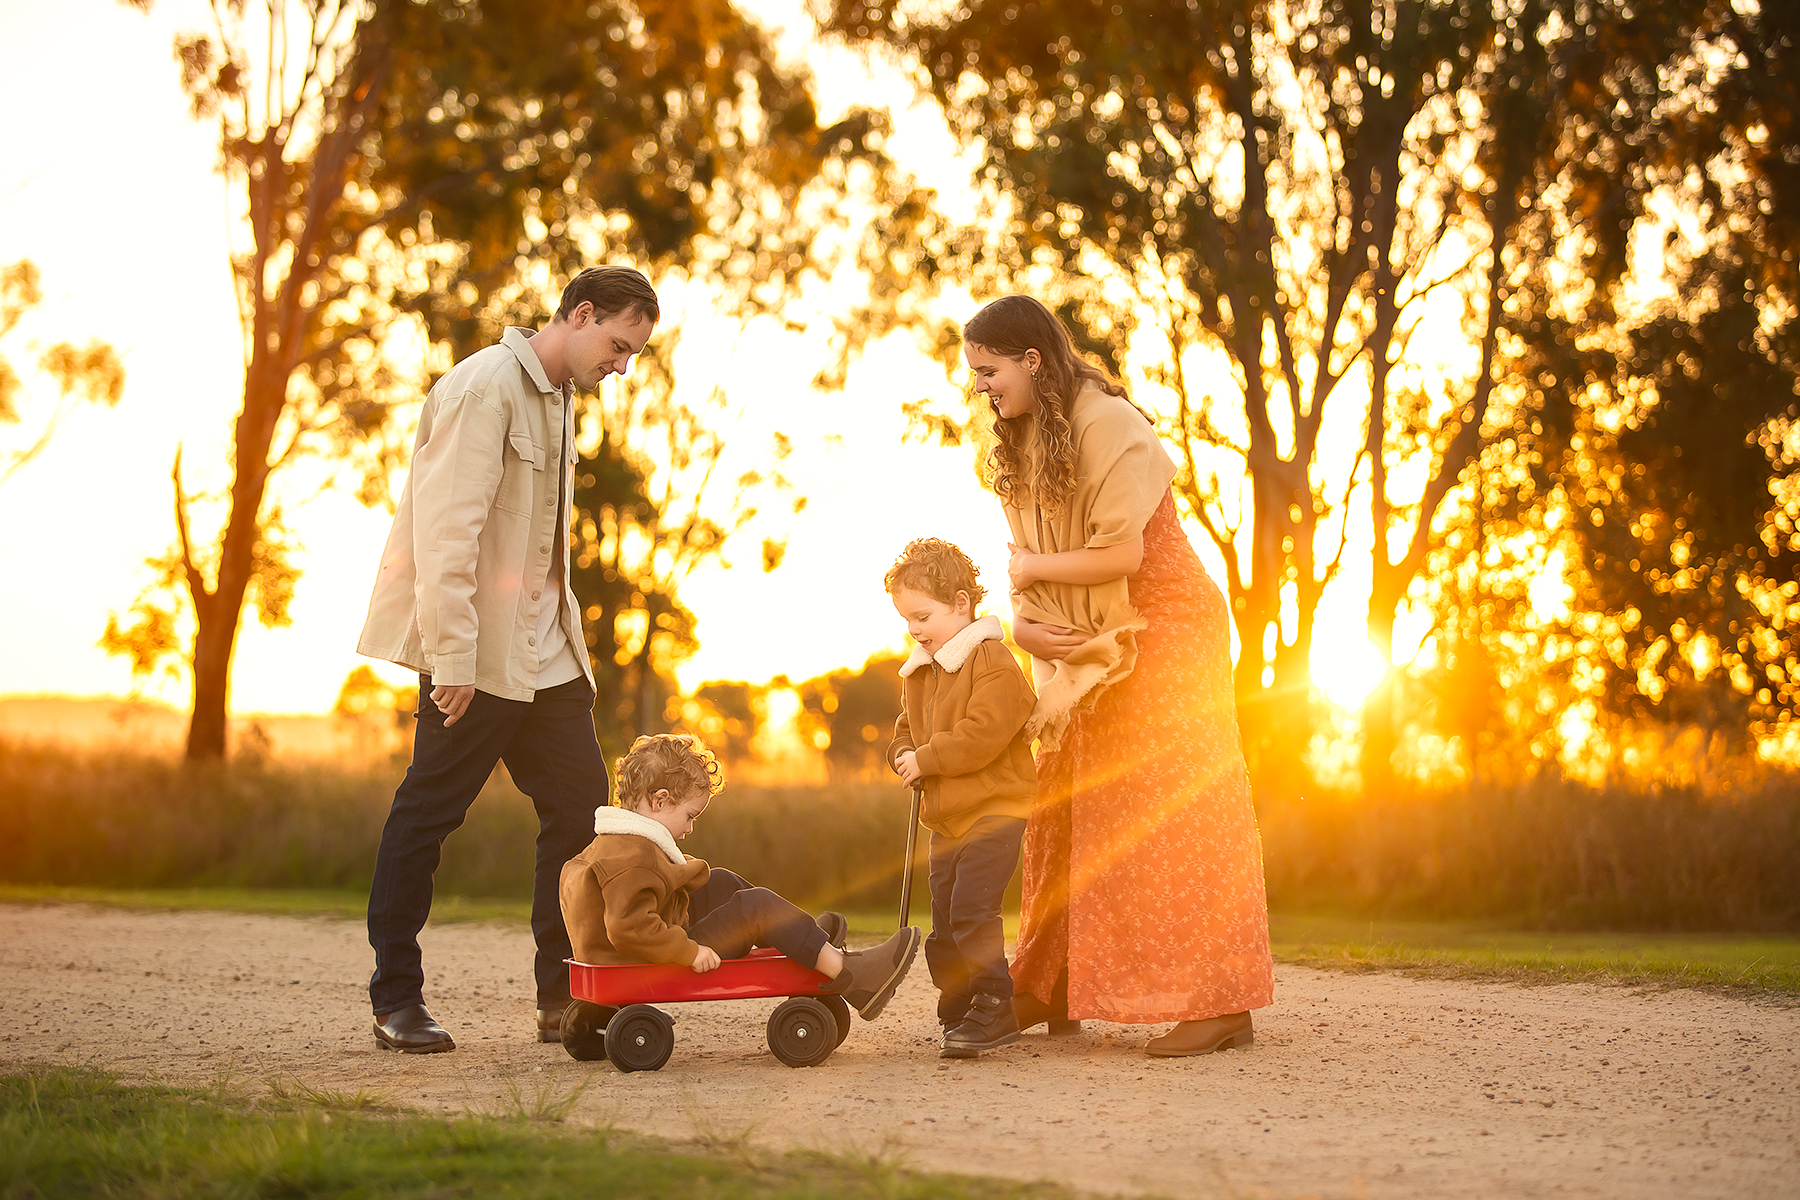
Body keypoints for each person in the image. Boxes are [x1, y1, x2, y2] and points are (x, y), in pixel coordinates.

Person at [356, 266, 659, 1054]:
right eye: (618, 345)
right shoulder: (483, 388)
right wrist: (450, 656)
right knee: (429, 812)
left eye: (633, 355)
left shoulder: (557, 398)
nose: (621, 366)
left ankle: (564, 996)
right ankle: (396, 999)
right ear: (580, 313)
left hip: (546, 655)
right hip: (478, 655)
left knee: (580, 814)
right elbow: (446, 534)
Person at [962, 294, 1275, 1057]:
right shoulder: (1017, 440)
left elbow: (1122, 556)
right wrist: (1029, 624)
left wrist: (1031, 570)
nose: (980, 388)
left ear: (1032, 359)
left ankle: (1220, 1001)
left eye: (989, 370)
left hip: (1167, 626)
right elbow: (1025, 581)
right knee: (1067, 799)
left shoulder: (1113, 426)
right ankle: (1052, 980)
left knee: (1177, 809)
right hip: (1091, 634)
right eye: (973, 374)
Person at [561, 734, 922, 1021]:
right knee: (756, 905)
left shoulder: (616, 842)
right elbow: (630, 928)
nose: (689, 828)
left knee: (719, 882)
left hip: (649, 946)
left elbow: (645, 900)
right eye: (689, 815)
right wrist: (689, 951)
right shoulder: (632, 858)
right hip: (651, 960)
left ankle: (801, 936)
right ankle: (852, 977)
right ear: (659, 801)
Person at [885, 538, 1038, 1058]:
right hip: (946, 818)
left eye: (923, 616)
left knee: (973, 909)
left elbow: (983, 735)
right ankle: (960, 1000)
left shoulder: (994, 662)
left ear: (960, 603)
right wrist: (903, 753)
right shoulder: (922, 673)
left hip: (996, 808)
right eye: (907, 620)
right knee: (946, 923)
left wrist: (926, 758)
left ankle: (995, 1003)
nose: (915, 630)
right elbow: (906, 729)